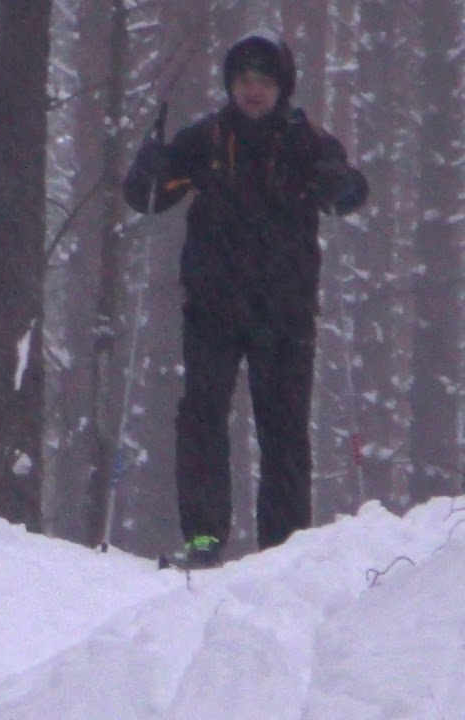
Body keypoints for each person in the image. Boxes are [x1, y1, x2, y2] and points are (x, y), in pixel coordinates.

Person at [123, 32, 368, 568]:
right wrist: (147, 168)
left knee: (282, 425)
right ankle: (206, 541)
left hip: (285, 311)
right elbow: (148, 197)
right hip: (213, 306)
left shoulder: (307, 140)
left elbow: (351, 194)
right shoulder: (205, 138)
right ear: (230, 86)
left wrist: (337, 180)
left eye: (263, 80)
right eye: (243, 80)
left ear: (282, 87)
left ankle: (283, 552)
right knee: (202, 418)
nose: (252, 90)